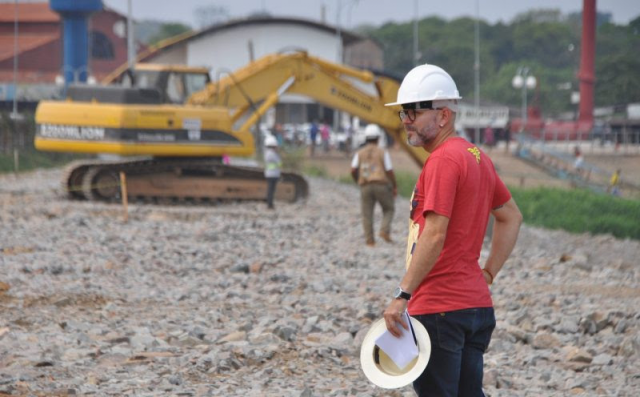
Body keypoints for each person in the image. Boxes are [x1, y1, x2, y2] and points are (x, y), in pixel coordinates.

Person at [381, 64, 523, 396]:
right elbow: (511, 217)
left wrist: (402, 296)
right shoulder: (477, 156)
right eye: (403, 112)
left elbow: (434, 233)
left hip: (440, 310)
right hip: (475, 307)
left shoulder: (443, 160)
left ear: (443, 115)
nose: (405, 120)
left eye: (414, 112)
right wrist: (486, 275)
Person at [351, 124, 397, 247]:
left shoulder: (359, 153)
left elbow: (353, 169)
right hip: (381, 185)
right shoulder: (382, 152)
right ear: (378, 138)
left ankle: (370, 241)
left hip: (365, 185)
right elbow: (389, 171)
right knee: (389, 209)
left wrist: (358, 180)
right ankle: (384, 230)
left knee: (367, 214)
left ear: (366, 138)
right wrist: (394, 185)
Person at [263, 135, 282, 210]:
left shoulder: (267, 153)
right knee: (271, 190)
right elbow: (279, 163)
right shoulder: (273, 154)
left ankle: (269, 204)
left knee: (270, 190)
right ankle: (270, 205)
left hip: (269, 174)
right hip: (273, 174)